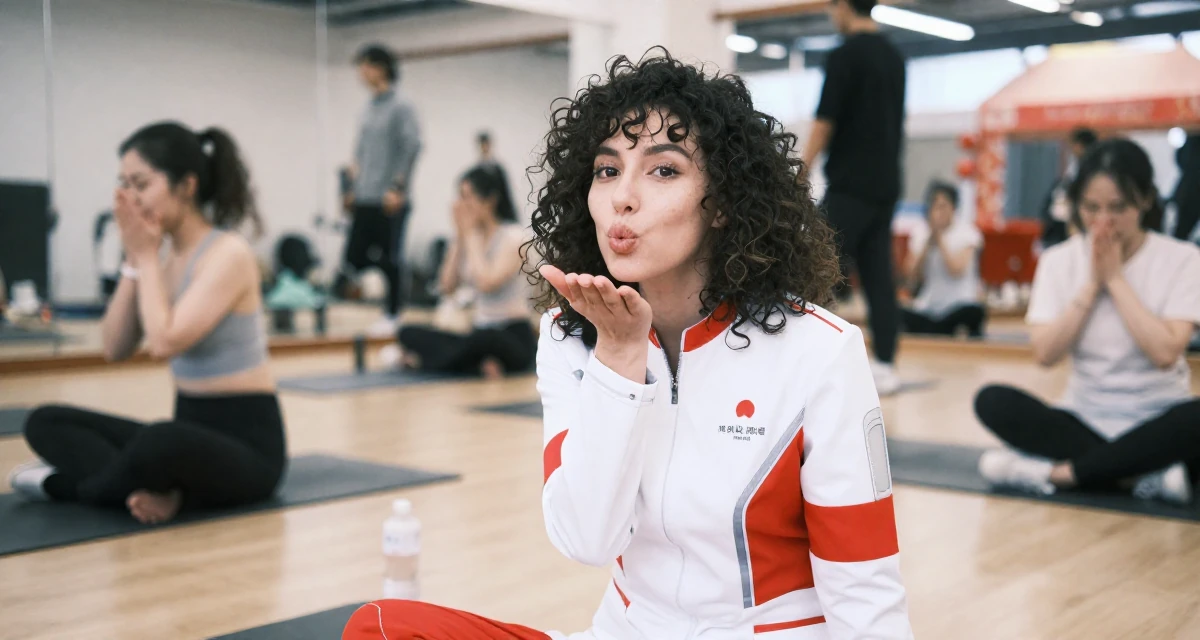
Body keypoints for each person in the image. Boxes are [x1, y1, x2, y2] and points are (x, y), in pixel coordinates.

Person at [343, 50, 912, 640]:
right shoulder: (568, 338)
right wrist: (618, 359)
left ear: (720, 205)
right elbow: (586, 540)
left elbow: (865, 589)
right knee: (379, 627)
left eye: (664, 171)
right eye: (608, 170)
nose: (623, 197)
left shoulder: (820, 350)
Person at [7, 122, 287, 524]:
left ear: (186, 186)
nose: (130, 199)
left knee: (160, 441)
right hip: (188, 435)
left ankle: (67, 487)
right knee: (46, 421)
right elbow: (114, 347)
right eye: (124, 185)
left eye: (141, 184)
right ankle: (156, 491)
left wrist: (146, 255)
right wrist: (133, 260)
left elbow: (163, 342)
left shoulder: (228, 254)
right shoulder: (162, 259)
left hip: (249, 453)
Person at [974, 138, 1200, 505]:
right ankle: (1144, 473)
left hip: (1158, 417)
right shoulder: (1059, 261)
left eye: (1118, 208)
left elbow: (1166, 353)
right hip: (1083, 417)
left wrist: (1115, 279)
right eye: (1091, 208)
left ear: (1145, 200)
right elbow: (1045, 354)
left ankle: (1057, 473)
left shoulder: (1183, 258)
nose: (1103, 222)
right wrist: (1093, 285)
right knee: (992, 401)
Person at [803, 0, 906, 395]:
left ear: (843, 6)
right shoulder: (894, 56)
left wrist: (801, 168)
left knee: (810, 263)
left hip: (850, 183)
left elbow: (825, 118)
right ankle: (886, 365)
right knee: (880, 277)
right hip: (886, 183)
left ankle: (804, 355)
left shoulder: (844, 56)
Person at [388, 165, 534, 379]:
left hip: (511, 335)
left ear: (490, 200)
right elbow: (447, 286)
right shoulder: (466, 237)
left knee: (484, 340)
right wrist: (459, 238)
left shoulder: (514, 237)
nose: (461, 205)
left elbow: (487, 282)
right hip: (477, 331)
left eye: (467, 197)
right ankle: (477, 365)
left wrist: (470, 235)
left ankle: (424, 362)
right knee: (407, 332)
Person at [337, 43, 423, 337]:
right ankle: (394, 275)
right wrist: (350, 188)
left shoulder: (401, 106)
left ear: (380, 67)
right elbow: (359, 153)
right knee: (354, 258)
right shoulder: (367, 109)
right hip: (365, 194)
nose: (361, 73)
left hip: (389, 198)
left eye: (364, 66)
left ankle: (393, 313)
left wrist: (398, 188)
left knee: (390, 257)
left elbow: (411, 147)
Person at [901, 180, 986, 337]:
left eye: (943, 206)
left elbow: (957, 270)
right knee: (897, 313)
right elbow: (910, 276)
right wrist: (927, 244)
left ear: (953, 208)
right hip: (930, 306)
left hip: (959, 305)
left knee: (974, 313)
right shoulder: (921, 233)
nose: (938, 212)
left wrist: (939, 240)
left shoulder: (968, 233)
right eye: (934, 206)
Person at [1039, 127, 1098, 249]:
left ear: (1081, 146)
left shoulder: (1093, 173)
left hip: (1074, 230)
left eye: (1075, 145)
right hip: (1057, 229)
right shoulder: (1071, 171)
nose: (1072, 149)